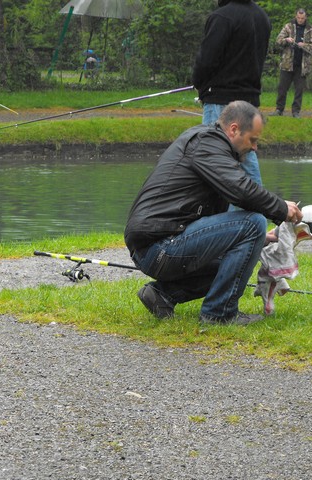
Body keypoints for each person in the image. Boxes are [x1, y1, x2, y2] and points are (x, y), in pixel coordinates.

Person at [125, 101, 302, 325]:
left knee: (240, 257)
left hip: (159, 244)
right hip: (159, 246)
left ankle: (163, 294)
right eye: (253, 140)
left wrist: (258, 239)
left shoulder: (210, 145)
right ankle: (219, 314)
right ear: (234, 129)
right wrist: (281, 208)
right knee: (253, 223)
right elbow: (241, 190)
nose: (255, 148)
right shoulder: (207, 144)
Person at [192, 0, 271, 187]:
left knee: (215, 159)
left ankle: (238, 213)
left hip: (221, 100)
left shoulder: (222, 17)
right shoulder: (262, 17)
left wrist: (198, 83)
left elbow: (206, 61)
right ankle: (258, 210)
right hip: (250, 102)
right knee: (246, 158)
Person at [272, 8, 312, 118]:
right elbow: (278, 40)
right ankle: (279, 110)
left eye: (302, 18)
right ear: (296, 16)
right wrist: (286, 40)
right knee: (282, 88)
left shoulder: (311, 29)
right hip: (287, 63)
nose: (300, 20)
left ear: (306, 17)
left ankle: (296, 112)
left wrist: (305, 45)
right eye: (298, 17)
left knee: (299, 90)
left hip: (302, 65)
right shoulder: (288, 26)